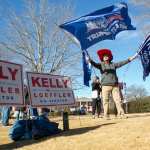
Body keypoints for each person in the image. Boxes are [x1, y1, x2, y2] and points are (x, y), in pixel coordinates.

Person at [88, 49, 138, 119]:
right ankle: (106, 115)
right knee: (105, 101)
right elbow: (95, 64)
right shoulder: (101, 65)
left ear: (109, 57)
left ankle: (121, 114)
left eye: (107, 56)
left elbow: (121, 63)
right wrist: (90, 61)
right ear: (102, 58)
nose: (105, 57)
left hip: (115, 85)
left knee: (118, 100)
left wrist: (130, 59)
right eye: (104, 56)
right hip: (105, 86)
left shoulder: (113, 64)